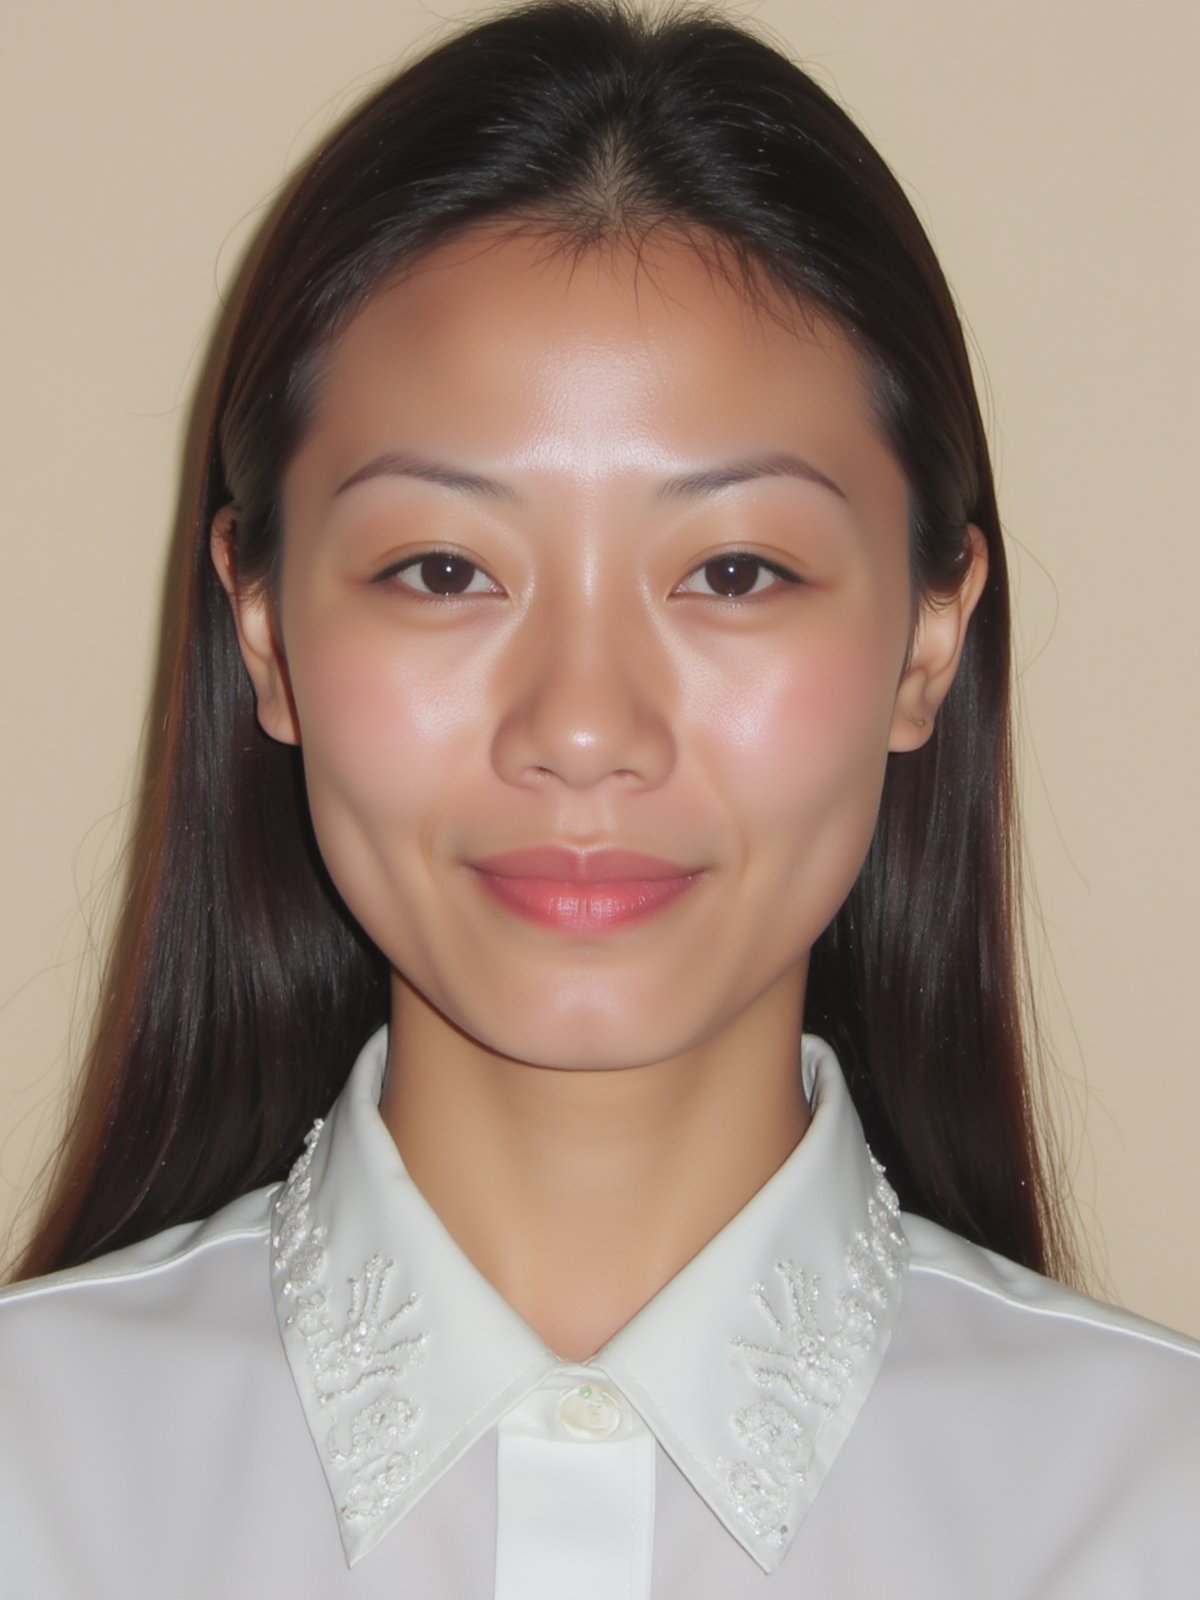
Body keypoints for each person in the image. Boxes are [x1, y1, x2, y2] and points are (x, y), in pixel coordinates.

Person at [1, 2, 1196, 1594]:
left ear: (929, 641)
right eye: (442, 569)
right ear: (264, 629)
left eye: (732, 570)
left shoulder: (1156, 1508)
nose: (580, 729)